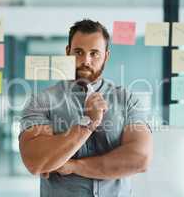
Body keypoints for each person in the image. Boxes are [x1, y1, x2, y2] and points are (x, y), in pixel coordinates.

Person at [19, 19, 153, 197]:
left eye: (94, 53)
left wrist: (74, 165)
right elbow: (35, 162)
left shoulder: (127, 100)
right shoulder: (42, 101)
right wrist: (87, 123)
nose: (85, 60)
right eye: (78, 52)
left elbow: (139, 159)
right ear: (67, 52)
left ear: (106, 55)